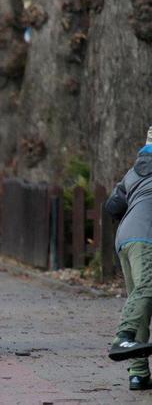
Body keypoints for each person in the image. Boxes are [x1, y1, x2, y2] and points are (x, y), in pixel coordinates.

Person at [106, 126, 152, 390]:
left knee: (140, 303)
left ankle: (138, 373)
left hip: (125, 239)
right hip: (146, 238)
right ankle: (122, 336)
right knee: (146, 290)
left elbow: (113, 206)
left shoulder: (133, 173)